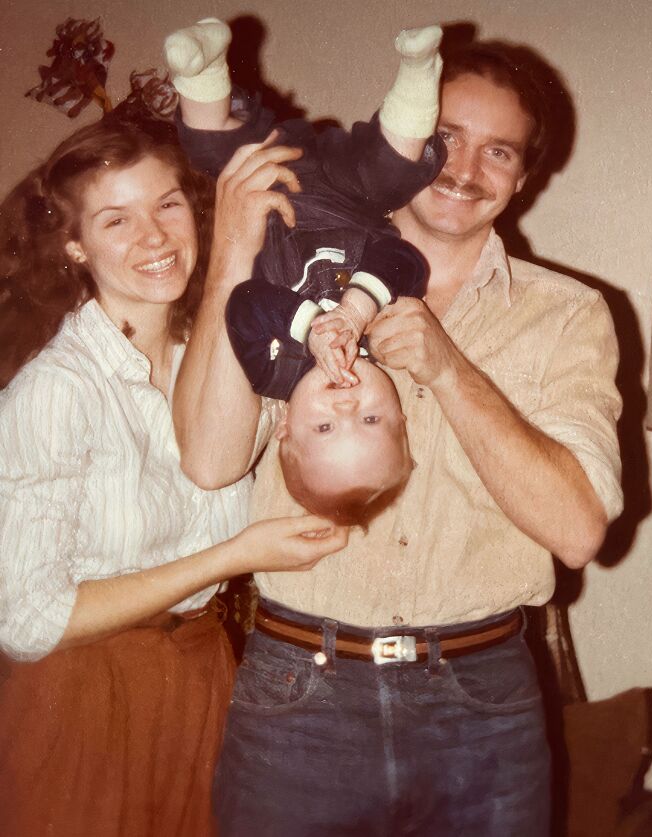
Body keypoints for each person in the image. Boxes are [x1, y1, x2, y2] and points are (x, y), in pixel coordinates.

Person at [173, 35, 624, 837]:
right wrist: (234, 252)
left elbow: (579, 528)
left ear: (524, 176)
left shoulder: (570, 315)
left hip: (482, 708)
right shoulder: (294, 268)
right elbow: (210, 463)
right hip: (298, 701)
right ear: (401, 133)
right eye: (444, 138)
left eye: (499, 152)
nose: (462, 169)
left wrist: (451, 372)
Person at [0, 115, 348, 837]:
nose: (154, 237)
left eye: (166, 203)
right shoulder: (57, 389)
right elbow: (28, 622)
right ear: (74, 244)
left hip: (205, 681)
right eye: (115, 219)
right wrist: (234, 556)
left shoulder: (226, 358)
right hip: (83, 699)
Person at [164, 20, 443, 522]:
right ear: (402, 413)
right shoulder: (387, 336)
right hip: (348, 189)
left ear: (286, 426)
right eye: (372, 418)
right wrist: (357, 311)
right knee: (395, 169)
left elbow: (245, 304)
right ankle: (420, 69)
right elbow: (404, 260)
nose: (346, 407)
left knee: (209, 147)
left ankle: (202, 64)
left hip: (270, 186)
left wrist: (309, 330)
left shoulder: (274, 370)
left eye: (325, 430)